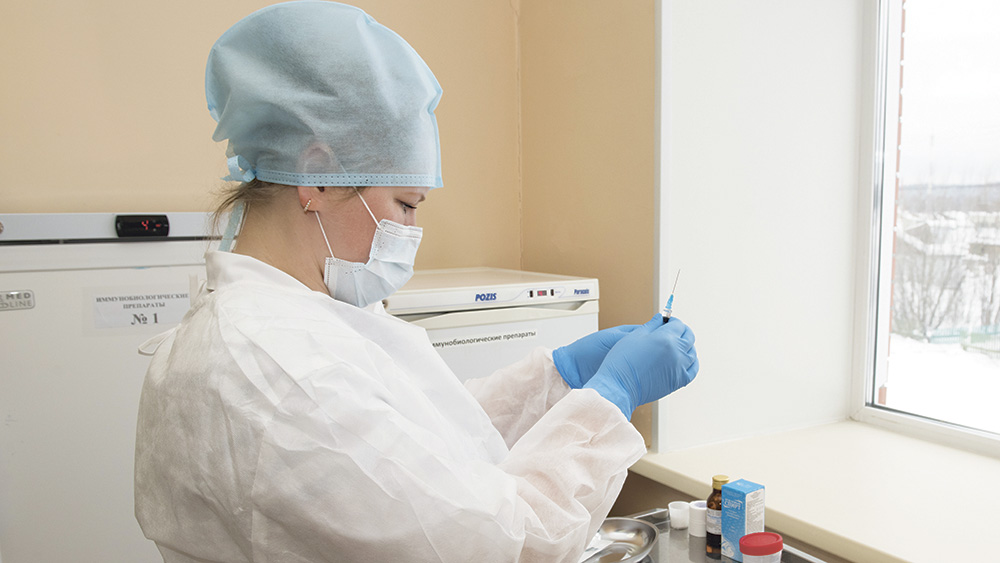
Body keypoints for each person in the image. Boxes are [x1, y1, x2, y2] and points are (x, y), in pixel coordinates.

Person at [133, 2, 699, 562]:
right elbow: (507, 542)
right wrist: (611, 398)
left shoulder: (294, 322)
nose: (410, 232)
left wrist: (558, 378)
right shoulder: (280, 370)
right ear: (317, 175)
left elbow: (426, 453)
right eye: (405, 204)